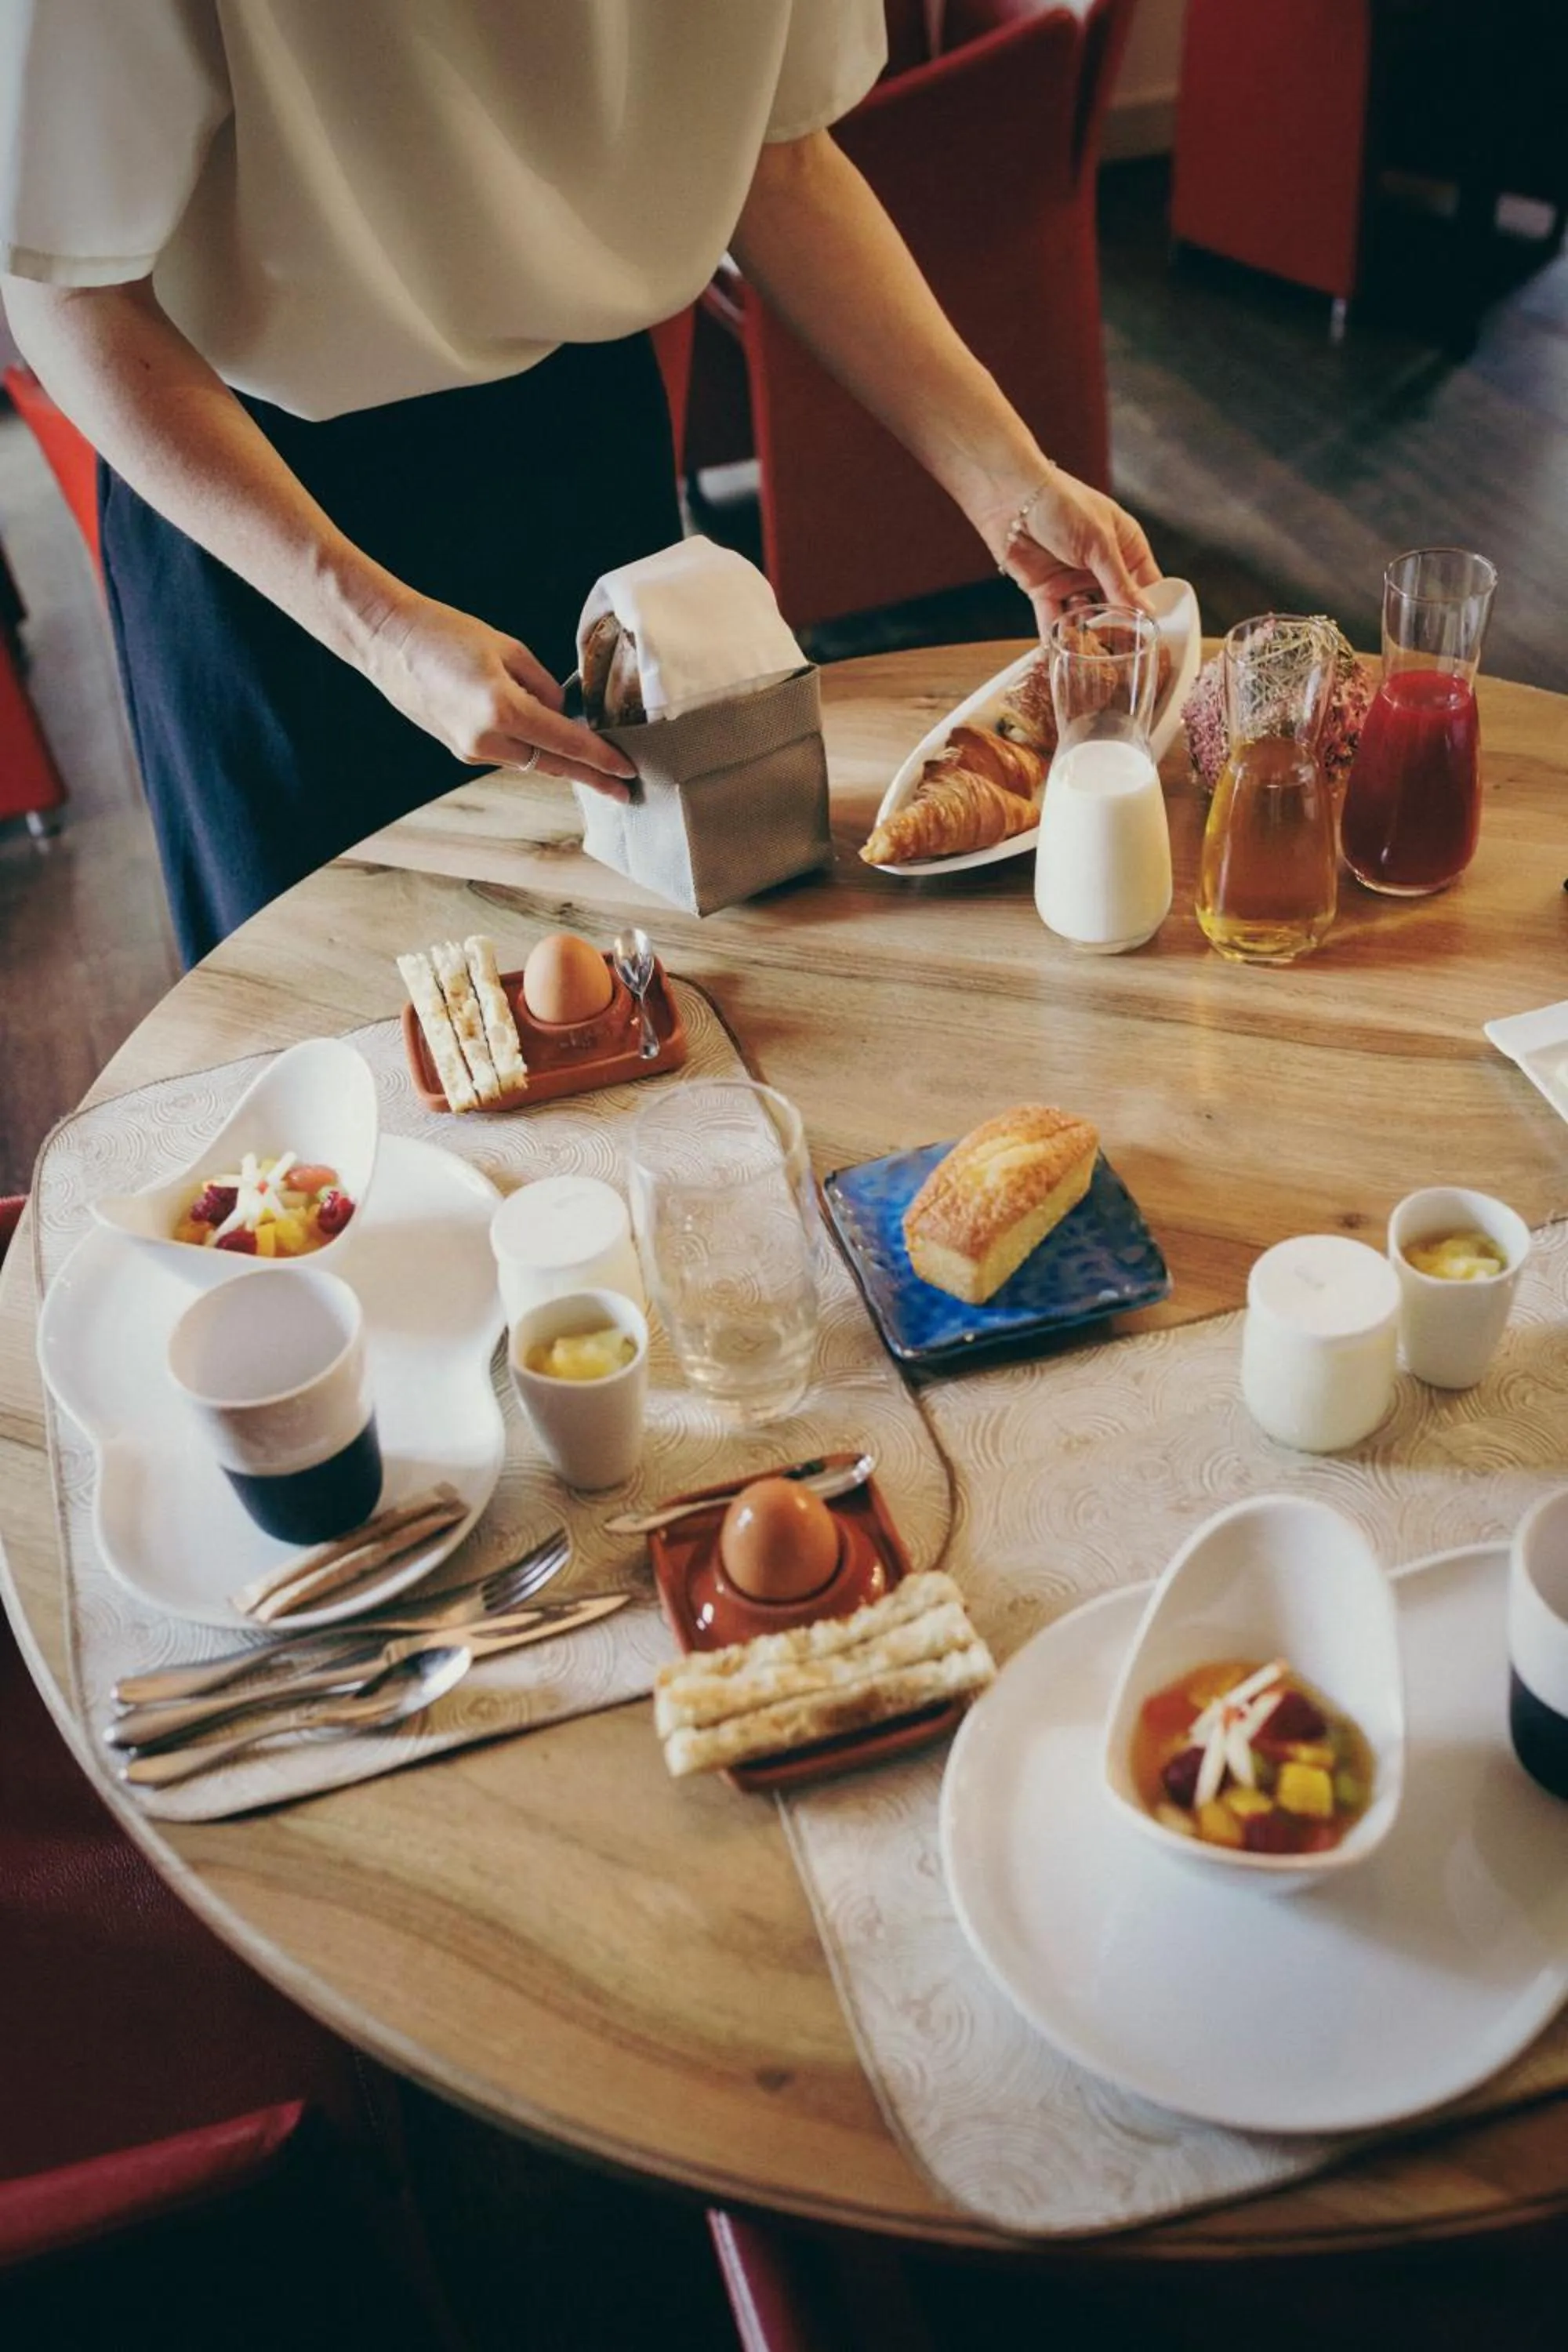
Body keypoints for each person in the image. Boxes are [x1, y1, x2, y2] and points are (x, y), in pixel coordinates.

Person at [1, 1, 1161, 964]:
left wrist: (1007, 478)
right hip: (271, 510)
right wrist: (381, 630)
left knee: (646, 988)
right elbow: (68, 293)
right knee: (328, 1034)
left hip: (583, 436)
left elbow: (781, 159)